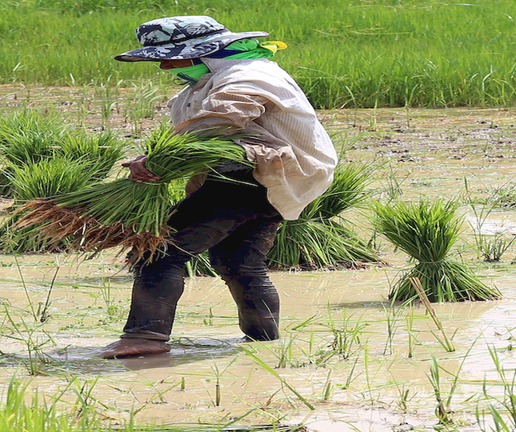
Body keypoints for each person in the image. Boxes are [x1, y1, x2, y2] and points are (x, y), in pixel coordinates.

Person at [99, 16, 338, 359]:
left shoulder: (249, 75)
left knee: (157, 251)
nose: (165, 66)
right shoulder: (207, 83)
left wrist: (157, 161)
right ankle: (264, 342)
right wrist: (157, 159)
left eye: (172, 57)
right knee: (238, 260)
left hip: (254, 178)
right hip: (255, 178)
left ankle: (145, 337)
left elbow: (220, 120)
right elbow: (198, 133)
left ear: (202, 53)